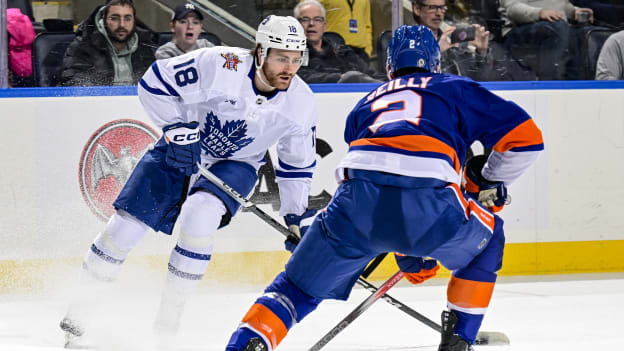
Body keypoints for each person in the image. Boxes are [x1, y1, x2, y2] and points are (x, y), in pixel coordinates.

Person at [224, 25, 544, 351]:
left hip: (352, 208)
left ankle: (245, 343)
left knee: (294, 289)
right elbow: (528, 140)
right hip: (430, 206)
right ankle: (459, 339)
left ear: (388, 68)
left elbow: (382, 182)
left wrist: (405, 248)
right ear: (437, 66)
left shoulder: (366, 104)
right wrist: (490, 180)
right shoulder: (454, 87)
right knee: (490, 241)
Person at [59, 15, 319, 349]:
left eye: (296, 60)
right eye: (281, 57)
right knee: (123, 229)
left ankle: (170, 315)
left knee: (200, 215)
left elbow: (296, 165)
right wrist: (177, 129)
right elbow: (154, 82)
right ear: (260, 52)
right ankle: (79, 312)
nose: (289, 67)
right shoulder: (219, 64)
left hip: (235, 165)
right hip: (181, 146)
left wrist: (295, 216)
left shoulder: (301, 102)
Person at [59, 0, 156, 86]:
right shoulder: (84, 44)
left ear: (134, 20)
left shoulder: (146, 46)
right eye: (114, 18)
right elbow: (74, 82)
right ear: (103, 18)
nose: (122, 25)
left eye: (127, 18)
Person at [501, 0, 594, 80]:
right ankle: (552, 85)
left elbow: (559, 5)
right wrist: (540, 13)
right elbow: (513, 9)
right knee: (558, 28)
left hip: (555, 26)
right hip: (518, 30)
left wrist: (574, 11)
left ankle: (577, 88)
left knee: (581, 34)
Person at [294, 0, 380, 83]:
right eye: (305, 19)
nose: (311, 24)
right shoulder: (292, 52)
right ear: (296, 24)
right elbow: (298, 77)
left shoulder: (340, 50)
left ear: (324, 26)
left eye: (317, 20)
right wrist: (340, 78)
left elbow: (371, 74)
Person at [411, 0, 493, 81]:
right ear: (417, 9)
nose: (439, 13)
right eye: (432, 7)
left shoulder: (453, 42)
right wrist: (436, 54)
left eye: (442, 7)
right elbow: (412, 81)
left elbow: (477, 80)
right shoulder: (407, 44)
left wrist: (482, 53)